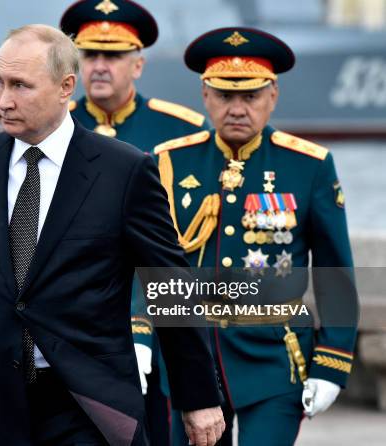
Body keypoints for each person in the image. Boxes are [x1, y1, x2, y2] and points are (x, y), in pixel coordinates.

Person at [0, 24, 225, 446]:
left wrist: (198, 398)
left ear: (65, 87)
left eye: (20, 85)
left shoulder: (124, 172)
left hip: (92, 405)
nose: (4, 100)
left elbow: (171, 285)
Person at [152, 27, 359, 445]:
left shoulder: (309, 165)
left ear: (273, 96)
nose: (238, 108)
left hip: (274, 357)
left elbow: (335, 271)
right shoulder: (170, 162)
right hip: (192, 356)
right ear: (205, 96)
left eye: (250, 96)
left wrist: (332, 363)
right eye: (225, 96)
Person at [59, 2, 210, 443]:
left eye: (114, 56)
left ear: (138, 64)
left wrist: (142, 326)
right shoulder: (54, 127)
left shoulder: (181, 133)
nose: (100, 66)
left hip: (158, 339)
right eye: (90, 55)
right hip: (75, 330)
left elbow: (172, 249)